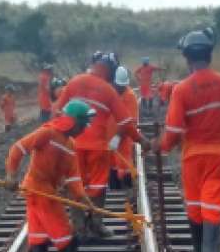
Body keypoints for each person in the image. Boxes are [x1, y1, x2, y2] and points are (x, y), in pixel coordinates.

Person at [152, 28, 220, 252]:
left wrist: (161, 146)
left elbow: (174, 130)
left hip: (193, 156)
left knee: (197, 206)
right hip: (219, 153)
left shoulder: (182, 89)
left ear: (187, 57)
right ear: (209, 54)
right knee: (212, 204)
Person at [55, 53, 151, 239]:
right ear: (110, 70)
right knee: (97, 186)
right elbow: (126, 124)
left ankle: (79, 227)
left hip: (73, 146)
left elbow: (58, 112)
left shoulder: (74, 82)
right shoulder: (108, 91)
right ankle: (96, 224)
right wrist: (142, 141)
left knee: (75, 185)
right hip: (98, 148)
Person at [5, 99, 96, 252]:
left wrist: (83, 198)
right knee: (63, 232)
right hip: (39, 190)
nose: (84, 130)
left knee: (38, 232)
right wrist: (11, 174)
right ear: (73, 122)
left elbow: (73, 177)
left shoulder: (70, 145)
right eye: (82, 125)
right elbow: (18, 148)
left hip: (42, 191)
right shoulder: (48, 133)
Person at [108, 66, 139, 195]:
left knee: (125, 167)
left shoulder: (130, 96)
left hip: (124, 139)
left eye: (123, 86)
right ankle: (114, 190)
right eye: (118, 85)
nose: (121, 88)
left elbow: (129, 122)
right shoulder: (109, 92)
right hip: (109, 137)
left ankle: (127, 194)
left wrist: (118, 137)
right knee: (111, 166)